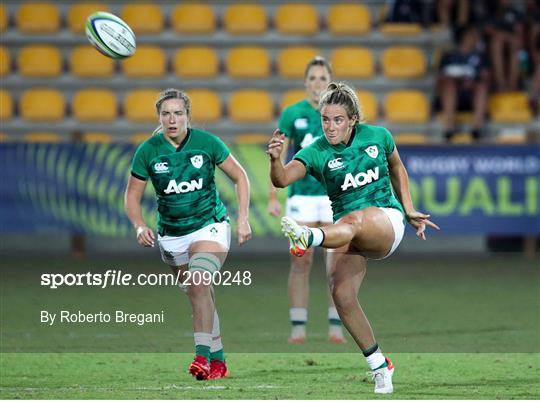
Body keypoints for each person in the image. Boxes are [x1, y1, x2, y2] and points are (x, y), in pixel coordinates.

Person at [268, 82, 439, 394]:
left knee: (355, 218)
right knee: (341, 293)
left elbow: (396, 166)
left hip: (386, 221)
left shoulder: (378, 136)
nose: (330, 127)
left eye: (337, 120)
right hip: (348, 231)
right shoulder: (316, 151)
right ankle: (379, 365)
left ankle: (310, 235)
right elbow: (282, 180)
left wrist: (410, 208)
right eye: (325, 120)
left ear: (352, 120)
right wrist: (275, 160)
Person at [124, 88, 251, 381]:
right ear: (159, 117)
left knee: (198, 282)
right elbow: (132, 194)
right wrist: (139, 225)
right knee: (199, 293)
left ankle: (202, 357)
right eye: (166, 113)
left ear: (188, 116)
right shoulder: (148, 151)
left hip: (211, 225)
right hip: (171, 236)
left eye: (178, 113)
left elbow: (240, 176)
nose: (172, 119)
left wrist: (243, 218)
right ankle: (218, 361)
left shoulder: (207, 143)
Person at [268, 56, 345, 344]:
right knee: (301, 261)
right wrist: (273, 196)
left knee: (335, 262)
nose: (317, 83)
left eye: (322, 78)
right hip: (301, 197)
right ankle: (298, 326)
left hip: (335, 197)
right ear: (305, 82)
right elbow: (279, 155)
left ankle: (336, 326)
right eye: (312, 78)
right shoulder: (292, 114)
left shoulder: (339, 113)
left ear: (330, 81)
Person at [437, 24, 490, 142]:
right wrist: (455, 80)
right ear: (464, 37)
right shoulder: (449, 56)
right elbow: (440, 77)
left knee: (481, 87)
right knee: (449, 86)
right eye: (472, 35)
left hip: (472, 94)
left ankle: (477, 129)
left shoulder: (481, 56)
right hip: (452, 95)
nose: (475, 38)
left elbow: (486, 75)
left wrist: (472, 81)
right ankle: (449, 128)